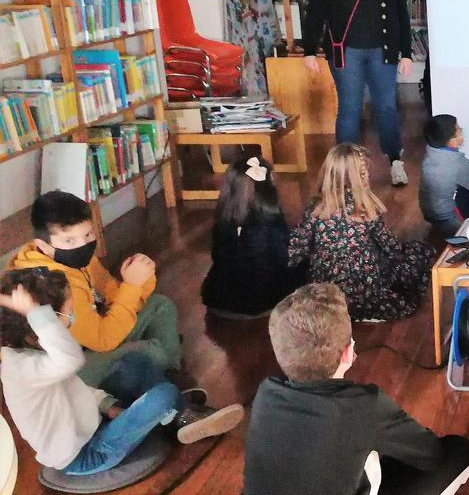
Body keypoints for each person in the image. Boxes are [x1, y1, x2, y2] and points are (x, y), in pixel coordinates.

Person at [229, 283, 469, 495]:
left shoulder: (266, 394)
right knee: (460, 450)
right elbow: (430, 454)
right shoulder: (363, 406)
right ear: (349, 353)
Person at [0, 268, 242, 476]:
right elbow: (70, 360)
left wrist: (109, 405)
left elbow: (76, 390)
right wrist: (38, 315)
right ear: (37, 330)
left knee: (134, 361)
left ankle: (175, 416)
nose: (72, 319)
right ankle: (178, 415)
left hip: (95, 423)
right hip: (88, 453)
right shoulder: (21, 368)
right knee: (164, 393)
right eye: (67, 315)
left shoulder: (37, 353)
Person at [9, 191, 181, 387]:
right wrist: (132, 286)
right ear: (44, 245)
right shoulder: (49, 284)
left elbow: (109, 293)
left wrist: (139, 280)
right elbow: (103, 340)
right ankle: (166, 385)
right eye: (69, 241)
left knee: (160, 305)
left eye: (88, 234)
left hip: (89, 337)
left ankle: (169, 379)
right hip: (64, 372)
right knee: (152, 352)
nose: (83, 245)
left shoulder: (72, 257)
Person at [302, 0, 414, 187]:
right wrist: (309, 50)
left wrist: (406, 52)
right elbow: (315, 11)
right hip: (346, 52)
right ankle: (346, 171)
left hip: (382, 51)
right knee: (349, 109)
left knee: (386, 106)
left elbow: (400, 12)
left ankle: (395, 161)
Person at [289, 143, 435, 322]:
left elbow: (297, 251)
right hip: (367, 291)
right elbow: (392, 249)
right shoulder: (367, 208)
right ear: (360, 177)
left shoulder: (314, 207)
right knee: (421, 250)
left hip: (327, 294)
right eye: (365, 171)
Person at [202, 156, 303, 318]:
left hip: (219, 300)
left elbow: (217, 256)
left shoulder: (222, 223)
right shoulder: (271, 223)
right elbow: (284, 259)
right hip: (260, 302)